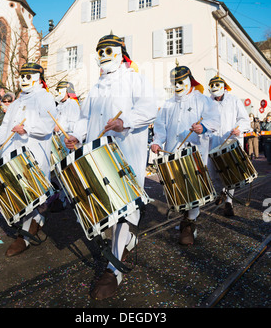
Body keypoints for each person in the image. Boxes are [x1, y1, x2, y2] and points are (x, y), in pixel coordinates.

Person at [64, 34, 157, 300]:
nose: (104, 54)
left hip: (124, 153)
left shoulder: (134, 78)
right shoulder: (95, 87)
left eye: (109, 50)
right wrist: (76, 136)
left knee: (122, 208)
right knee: (105, 210)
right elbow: (84, 118)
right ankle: (125, 242)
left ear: (121, 53)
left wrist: (125, 120)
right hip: (97, 155)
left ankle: (113, 268)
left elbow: (149, 109)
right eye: (100, 50)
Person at [0, 63, 56, 257]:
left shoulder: (45, 97)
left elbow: (48, 124)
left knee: (31, 194)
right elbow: (5, 126)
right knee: (19, 193)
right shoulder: (16, 102)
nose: (24, 80)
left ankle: (24, 236)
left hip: (34, 153)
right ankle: (35, 219)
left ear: (38, 77)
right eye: (21, 76)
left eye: (28, 76)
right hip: (13, 153)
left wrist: (28, 128)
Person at [151, 64, 220, 246]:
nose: (177, 85)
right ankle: (185, 217)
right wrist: (157, 141)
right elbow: (160, 127)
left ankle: (189, 223)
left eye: (180, 81)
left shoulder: (203, 100)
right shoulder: (168, 104)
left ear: (189, 80)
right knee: (177, 187)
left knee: (193, 187)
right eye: (174, 82)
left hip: (194, 151)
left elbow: (215, 120)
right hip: (172, 152)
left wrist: (203, 127)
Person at [207, 75, 251, 216]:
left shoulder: (234, 100)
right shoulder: (207, 102)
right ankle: (222, 191)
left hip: (230, 140)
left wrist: (239, 128)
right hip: (213, 141)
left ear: (224, 88)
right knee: (213, 172)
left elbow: (244, 119)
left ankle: (228, 203)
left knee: (230, 171)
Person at [50, 80, 80, 212]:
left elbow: (74, 124)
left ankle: (64, 199)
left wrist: (60, 128)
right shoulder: (58, 106)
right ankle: (59, 197)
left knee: (66, 171)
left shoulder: (72, 104)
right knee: (57, 172)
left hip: (67, 140)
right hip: (58, 141)